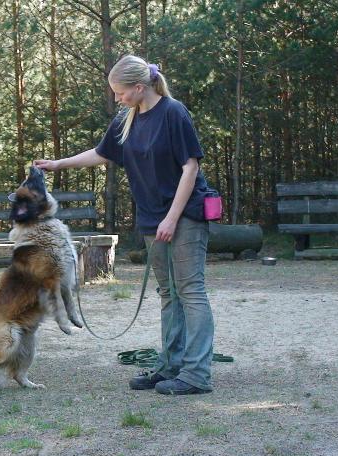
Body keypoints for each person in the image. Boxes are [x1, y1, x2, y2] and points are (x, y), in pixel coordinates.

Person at [35, 55, 215, 395]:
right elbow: (102, 153)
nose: (117, 99)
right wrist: (59, 164)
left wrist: (172, 218)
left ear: (138, 87)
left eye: (120, 93)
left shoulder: (173, 113)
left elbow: (190, 168)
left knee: (190, 291)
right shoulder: (126, 120)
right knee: (168, 293)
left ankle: (197, 374)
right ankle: (170, 366)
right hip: (152, 219)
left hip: (185, 215)